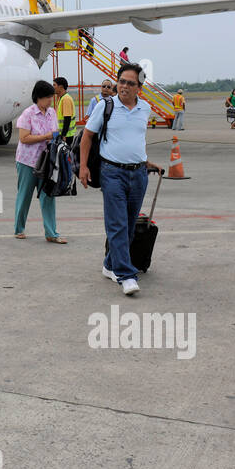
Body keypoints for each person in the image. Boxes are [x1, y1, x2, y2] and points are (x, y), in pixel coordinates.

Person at [78, 63, 163, 296]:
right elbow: (87, 136)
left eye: (130, 83)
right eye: (121, 81)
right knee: (117, 223)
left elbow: (135, 140)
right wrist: (83, 167)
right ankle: (126, 275)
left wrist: (146, 162)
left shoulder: (144, 108)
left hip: (138, 174)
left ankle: (109, 264)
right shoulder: (106, 106)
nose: (124, 86)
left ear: (139, 87)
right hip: (111, 172)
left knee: (129, 224)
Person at [15, 79, 65, 244]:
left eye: (52, 97)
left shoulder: (51, 113)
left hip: (47, 161)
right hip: (27, 161)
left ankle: (51, 233)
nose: (50, 100)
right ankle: (19, 228)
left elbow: (55, 133)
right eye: (47, 97)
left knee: (48, 196)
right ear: (38, 97)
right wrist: (46, 137)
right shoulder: (27, 114)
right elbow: (24, 138)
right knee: (25, 195)